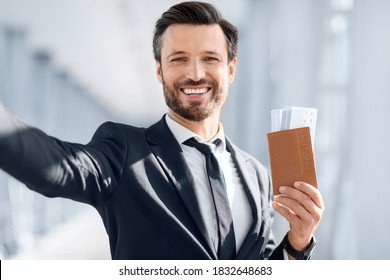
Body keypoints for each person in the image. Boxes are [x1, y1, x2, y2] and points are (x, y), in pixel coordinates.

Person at [0, 1, 324, 260]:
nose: (195, 74)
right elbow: (53, 165)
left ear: (231, 69)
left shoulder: (257, 174)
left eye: (210, 58)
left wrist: (298, 242)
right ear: (159, 71)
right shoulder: (124, 151)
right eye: (179, 59)